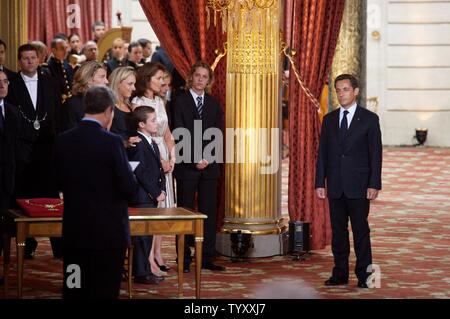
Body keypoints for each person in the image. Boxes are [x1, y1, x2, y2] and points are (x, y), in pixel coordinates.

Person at [55, 86, 137, 299]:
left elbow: (56, 180)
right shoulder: (112, 142)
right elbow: (128, 187)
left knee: (74, 288)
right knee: (104, 290)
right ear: (110, 111)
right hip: (108, 234)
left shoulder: (63, 140)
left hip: (75, 231)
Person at [315, 74, 382, 289]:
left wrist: (374, 184)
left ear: (356, 91)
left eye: (345, 89)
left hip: (359, 186)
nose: (341, 93)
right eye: (338, 90)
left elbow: (375, 155)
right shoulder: (329, 119)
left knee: (361, 232)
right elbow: (322, 154)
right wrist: (319, 183)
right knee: (339, 232)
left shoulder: (370, 119)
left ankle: (366, 276)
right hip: (335, 185)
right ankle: (340, 273)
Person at [6, 44, 60, 259]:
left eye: (32, 57)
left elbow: (56, 113)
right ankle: (26, 245)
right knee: (22, 196)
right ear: (19, 61)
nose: (29, 61)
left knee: (52, 196)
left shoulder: (50, 82)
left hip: (47, 146)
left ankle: (59, 245)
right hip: (23, 147)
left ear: (39, 59)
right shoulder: (12, 84)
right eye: (25, 58)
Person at [172, 61, 225, 272]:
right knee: (184, 213)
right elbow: (179, 129)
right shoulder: (179, 101)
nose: (201, 80)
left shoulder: (213, 104)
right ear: (190, 78)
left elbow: (218, 132)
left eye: (205, 76)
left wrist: (208, 158)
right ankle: (183, 259)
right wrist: (195, 158)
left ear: (209, 80)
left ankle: (206, 258)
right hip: (187, 165)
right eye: (198, 76)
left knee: (208, 213)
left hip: (209, 167)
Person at [131, 62, 175, 276]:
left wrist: (172, 156)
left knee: (162, 209)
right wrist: (160, 161)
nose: (162, 82)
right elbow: (141, 134)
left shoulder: (160, 100)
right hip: (150, 156)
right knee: (152, 207)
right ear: (147, 79)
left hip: (165, 156)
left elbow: (168, 133)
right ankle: (149, 260)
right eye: (158, 78)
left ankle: (158, 254)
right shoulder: (137, 102)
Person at [128, 106, 166, 284]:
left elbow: (158, 169)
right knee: (142, 237)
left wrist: (162, 189)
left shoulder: (151, 142)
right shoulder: (138, 143)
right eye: (152, 120)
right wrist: (155, 192)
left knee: (147, 234)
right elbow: (139, 171)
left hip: (150, 196)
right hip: (142, 197)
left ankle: (144, 271)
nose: (156, 123)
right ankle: (141, 273)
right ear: (141, 124)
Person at [0, 70, 20, 285]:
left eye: (5, 82)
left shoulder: (13, 111)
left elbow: (14, 148)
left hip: (6, 179)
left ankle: (3, 268)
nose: (3, 86)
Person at [61, 61, 108, 131]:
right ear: (88, 80)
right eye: (102, 77)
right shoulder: (72, 105)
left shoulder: (101, 104)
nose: (107, 81)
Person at [108, 66, 141, 148]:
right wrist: (125, 143)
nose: (134, 88)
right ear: (118, 84)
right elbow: (103, 139)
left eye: (134, 84)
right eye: (130, 84)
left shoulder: (131, 107)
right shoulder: (108, 107)